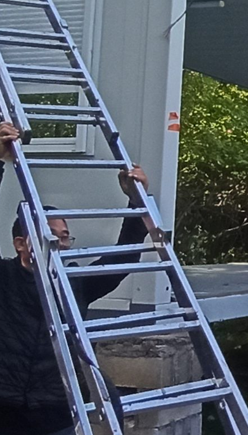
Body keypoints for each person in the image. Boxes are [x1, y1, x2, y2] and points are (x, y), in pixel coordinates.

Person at [0, 121, 151, 435]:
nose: (59, 243)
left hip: (56, 415)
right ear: (20, 244)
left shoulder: (74, 283)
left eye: (64, 236)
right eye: (50, 235)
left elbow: (121, 259)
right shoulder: (4, 278)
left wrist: (137, 202)